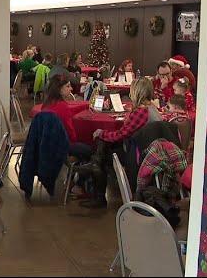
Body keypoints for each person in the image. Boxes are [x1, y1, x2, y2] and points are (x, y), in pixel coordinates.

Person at [76, 78, 162, 208]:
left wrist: (101, 133)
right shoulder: (151, 108)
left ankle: (98, 194)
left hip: (139, 154)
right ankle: (95, 165)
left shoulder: (141, 112)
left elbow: (122, 134)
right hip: (148, 151)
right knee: (103, 146)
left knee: (103, 147)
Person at [41, 75, 92, 163]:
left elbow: (69, 111)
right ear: (59, 89)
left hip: (47, 145)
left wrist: (86, 106)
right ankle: (80, 173)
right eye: (68, 86)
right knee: (90, 150)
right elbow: (70, 132)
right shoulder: (62, 106)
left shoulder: (47, 104)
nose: (71, 88)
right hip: (62, 146)